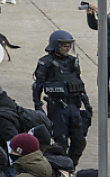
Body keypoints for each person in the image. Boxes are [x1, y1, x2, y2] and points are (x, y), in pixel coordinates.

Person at [33, 31, 91, 165]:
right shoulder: (45, 62)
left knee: (79, 140)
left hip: (74, 107)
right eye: (64, 46)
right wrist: (38, 107)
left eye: (69, 45)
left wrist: (87, 105)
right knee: (61, 141)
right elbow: (37, 86)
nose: (67, 48)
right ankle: (61, 166)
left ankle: (72, 164)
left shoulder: (72, 61)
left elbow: (79, 83)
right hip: (58, 107)